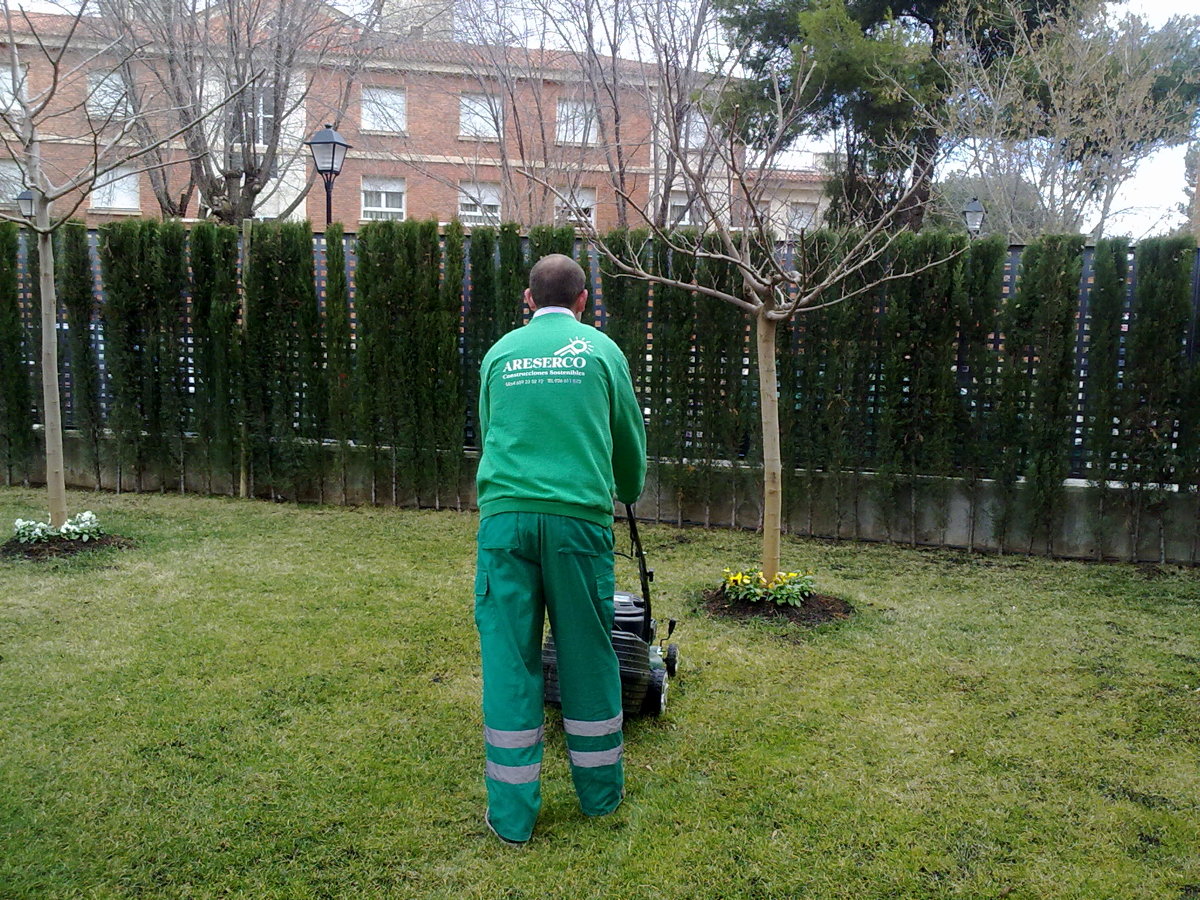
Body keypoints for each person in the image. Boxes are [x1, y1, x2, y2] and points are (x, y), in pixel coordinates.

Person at [473, 253, 647, 845]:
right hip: (578, 525)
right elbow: (627, 440)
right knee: (588, 653)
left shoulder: (500, 354)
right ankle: (600, 797)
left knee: (508, 659)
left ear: (528, 300)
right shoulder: (601, 351)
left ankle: (513, 816)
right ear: (583, 301)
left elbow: (490, 426)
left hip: (506, 523)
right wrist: (627, 487)